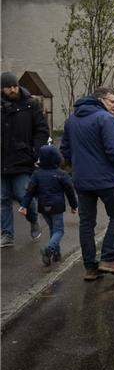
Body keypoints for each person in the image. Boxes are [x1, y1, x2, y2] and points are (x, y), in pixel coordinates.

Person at [60, 87, 114, 281]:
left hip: (82, 180)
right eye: (112, 102)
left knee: (86, 223)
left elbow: (64, 150)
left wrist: (78, 167)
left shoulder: (71, 120)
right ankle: (108, 258)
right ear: (100, 100)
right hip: (106, 179)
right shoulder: (105, 119)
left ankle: (90, 268)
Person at [1, 71, 48, 247]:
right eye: (8, 87)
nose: (13, 90)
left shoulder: (30, 105)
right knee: (3, 199)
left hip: (22, 160)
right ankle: (7, 235)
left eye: (15, 86)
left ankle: (34, 221)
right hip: (1, 162)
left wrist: (35, 151)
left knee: (24, 196)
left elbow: (42, 130)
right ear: (1, 89)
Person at [19, 145, 78, 265]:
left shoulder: (36, 174)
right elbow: (70, 191)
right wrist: (74, 205)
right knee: (59, 231)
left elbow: (30, 191)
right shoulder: (62, 174)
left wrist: (24, 205)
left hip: (43, 207)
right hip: (57, 207)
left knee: (53, 228)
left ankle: (56, 254)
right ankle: (49, 249)